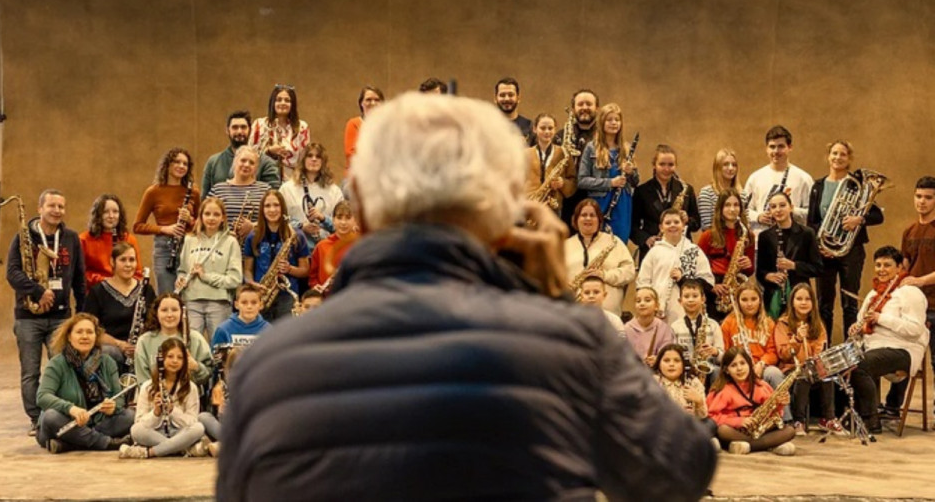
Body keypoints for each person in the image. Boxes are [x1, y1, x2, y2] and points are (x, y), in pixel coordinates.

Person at [217, 93, 715, 501]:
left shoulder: (266, 371)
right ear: (504, 210)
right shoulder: (570, 344)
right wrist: (559, 307)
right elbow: (679, 472)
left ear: (361, 205)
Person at [6, 189, 86, 436]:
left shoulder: (70, 238)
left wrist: (81, 313)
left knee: (63, 369)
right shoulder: (23, 237)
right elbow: (12, 273)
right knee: (30, 372)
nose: (57, 211)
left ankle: (60, 414)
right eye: (51, 206)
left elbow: (79, 278)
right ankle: (36, 418)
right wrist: (38, 291)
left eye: (61, 206)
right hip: (28, 317)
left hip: (61, 317)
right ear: (40, 209)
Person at [808, 140, 884, 342]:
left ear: (849, 158)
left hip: (851, 251)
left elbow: (878, 216)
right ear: (828, 156)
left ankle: (851, 348)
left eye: (843, 154)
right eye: (834, 153)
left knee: (850, 302)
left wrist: (859, 219)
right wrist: (820, 245)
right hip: (825, 252)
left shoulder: (858, 185)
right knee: (824, 304)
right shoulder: (818, 186)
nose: (838, 157)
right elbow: (811, 222)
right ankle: (824, 348)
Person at [849, 246, 929, 433]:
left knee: (861, 365)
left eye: (887, 265)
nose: (881, 269)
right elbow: (862, 322)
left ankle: (870, 420)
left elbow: (915, 329)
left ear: (899, 267)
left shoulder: (910, 293)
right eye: (878, 265)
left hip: (902, 349)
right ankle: (847, 414)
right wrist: (857, 329)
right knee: (842, 363)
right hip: (873, 347)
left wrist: (880, 318)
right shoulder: (874, 294)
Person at [35, 314, 135, 454]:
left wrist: (113, 407)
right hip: (67, 422)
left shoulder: (108, 362)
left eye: (89, 332)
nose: (85, 336)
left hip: (96, 424)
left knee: (130, 416)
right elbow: (42, 397)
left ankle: (70, 444)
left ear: (96, 337)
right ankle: (107, 443)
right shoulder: (57, 363)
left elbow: (118, 398)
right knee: (50, 416)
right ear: (69, 336)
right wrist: (71, 409)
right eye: (79, 332)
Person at [120, 338, 211, 459]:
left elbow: (192, 421)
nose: (175, 361)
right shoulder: (147, 386)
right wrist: (156, 413)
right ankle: (183, 449)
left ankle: (149, 452)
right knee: (136, 430)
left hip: (179, 433)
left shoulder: (191, 387)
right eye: (170, 356)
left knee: (198, 428)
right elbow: (139, 421)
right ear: (161, 358)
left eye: (180, 358)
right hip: (156, 433)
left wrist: (173, 411)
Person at [772, 283, 843, 435]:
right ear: (792, 302)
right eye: (799, 299)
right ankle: (799, 420)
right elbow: (784, 354)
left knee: (827, 373)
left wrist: (814, 361)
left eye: (807, 299)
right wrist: (797, 340)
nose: (803, 303)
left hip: (812, 368)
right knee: (803, 375)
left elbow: (820, 350)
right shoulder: (783, 324)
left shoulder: (818, 325)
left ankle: (828, 418)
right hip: (791, 369)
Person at [133, 147, 201, 294]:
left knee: (188, 295)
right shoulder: (153, 191)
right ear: (167, 165)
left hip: (189, 246)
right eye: (177, 162)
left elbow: (202, 225)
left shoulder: (193, 192)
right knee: (166, 294)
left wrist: (190, 220)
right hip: (164, 248)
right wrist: (165, 229)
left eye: (185, 164)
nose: (181, 166)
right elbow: (137, 226)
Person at [707, 347, 796, 456]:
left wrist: (780, 404)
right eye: (733, 365)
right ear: (726, 370)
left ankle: (748, 446)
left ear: (750, 365)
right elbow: (712, 417)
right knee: (722, 430)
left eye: (742, 363)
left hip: (759, 430)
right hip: (736, 431)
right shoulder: (723, 390)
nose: (739, 368)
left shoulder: (761, 386)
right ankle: (768, 444)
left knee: (790, 430)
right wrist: (738, 421)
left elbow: (775, 414)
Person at [82, 242, 156, 372]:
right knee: (108, 353)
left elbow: (155, 325)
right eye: (123, 260)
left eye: (132, 260)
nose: (128, 265)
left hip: (141, 348)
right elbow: (91, 330)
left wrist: (141, 344)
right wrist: (120, 344)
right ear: (112, 262)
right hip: (111, 349)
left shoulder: (146, 290)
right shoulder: (98, 291)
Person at [175, 197, 243, 339]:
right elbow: (182, 270)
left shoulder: (231, 242)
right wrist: (180, 279)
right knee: (191, 344)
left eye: (216, 214)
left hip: (219, 302)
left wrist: (206, 277)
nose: (211, 218)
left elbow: (235, 279)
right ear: (200, 216)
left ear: (223, 218)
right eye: (207, 214)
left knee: (219, 346)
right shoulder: (189, 240)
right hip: (191, 300)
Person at [718, 281, 788, 409]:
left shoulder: (769, 323)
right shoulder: (728, 323)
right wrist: (738, 367)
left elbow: (773, 352)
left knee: (774, 373)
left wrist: (762, 363)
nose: (749, 304)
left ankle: (785, 417)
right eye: (744, 300)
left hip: (761, 367)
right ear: (738, 302)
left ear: (760, 301)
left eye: (753, 299)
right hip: (737, 368)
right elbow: (725, 352)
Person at [636, 208, 713, 324]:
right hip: (659, 314)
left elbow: (708, 282)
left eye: (676, 222)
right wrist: (651, 306)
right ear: (661, 228)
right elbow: (643, 283)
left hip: (687, 313)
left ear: (683, 226)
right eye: (668, 223)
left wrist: (683, 279)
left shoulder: (694, 251)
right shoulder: (654, 252)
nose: (672, 225)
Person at [243, 190, 310, 322]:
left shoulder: (296, 235)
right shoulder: (253, 236)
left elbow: (305, 270)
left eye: (276, 205)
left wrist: (290, 269)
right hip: (261, 295)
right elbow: (247, 270)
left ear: (283, 208)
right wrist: (252, 284)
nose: (272, 210)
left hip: (288, 296)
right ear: (262, 209)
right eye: (267, 206)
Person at [577, 103, 639, 242]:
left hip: (622, 203)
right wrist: (610, 183)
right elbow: (582, 181)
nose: (614, 123)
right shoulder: (591, 148)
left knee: (619, 243)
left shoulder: (626, 148)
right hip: (600, 203)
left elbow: (635, 182)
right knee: (597, 242)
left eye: (617, 120)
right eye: (609, 119)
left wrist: (630, 172)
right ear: (602, 122)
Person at [757, 192, 822, 319]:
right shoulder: (765, 236)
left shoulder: (807, 233)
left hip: (799, 295)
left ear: (791, 207)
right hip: (774, 295)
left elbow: (818, 268)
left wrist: (794, 266)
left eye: (782, 205)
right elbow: (760, 271)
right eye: (773, 207)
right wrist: (768, 276)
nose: (778, 210)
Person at [563, 199, 634, 314]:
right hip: (573, 312)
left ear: (599, 220)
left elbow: (629, 272)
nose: (588, 218)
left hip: (608, 314)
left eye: (592, 215)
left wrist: (605, 275)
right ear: (576, 219)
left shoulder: (614, 242)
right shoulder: (564, 245)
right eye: (583, 215)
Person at [631, 144, 700, 262]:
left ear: (676, 166)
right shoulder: (641, 191)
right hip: (652, 250)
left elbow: (697, 224)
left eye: (671, 165)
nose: (667, 169)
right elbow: (633, 225)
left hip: (681, 249)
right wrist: (646, 239)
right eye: (662, 164)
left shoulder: (686, 189)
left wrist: (687, 219)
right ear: (654, 165)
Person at [744, 125, 814, 236]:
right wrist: (758, 217)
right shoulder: (755, 178)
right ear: (766, 149)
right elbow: (743, 210)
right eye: (772, 147)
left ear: (790, 147)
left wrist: (791, 210)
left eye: (781, 146)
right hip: (763, 238)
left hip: (794, 239)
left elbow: (812, 214)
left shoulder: (804, 179)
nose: (776, 151)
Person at [697, 189, 755, 321]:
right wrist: (711, 286)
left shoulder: (747, 235)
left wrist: (748, 265)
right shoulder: (708, 235)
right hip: (715, 288)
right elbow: (698, 267)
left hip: (737, 288)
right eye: (727, 205)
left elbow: (750, 271)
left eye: (736, 205)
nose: (732, 209)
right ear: (720, 209)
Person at [134, 293, 213, 388]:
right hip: (155, 394)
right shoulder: (144, 341)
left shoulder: (195, 338)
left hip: (189, 393)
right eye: (164, 310)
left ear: (182, 313)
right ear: (156, 313)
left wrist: (196, 367)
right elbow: (142, 379)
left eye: (174, 310)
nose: (169, 315)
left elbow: (209, 373)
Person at [279, 142, 345, 253]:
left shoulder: (334, 191)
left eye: (318, 157)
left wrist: (323, 219)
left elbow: (342, 225)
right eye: (310, 156)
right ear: (303, 160)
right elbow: (279, 221)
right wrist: (300, 226)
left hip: (326, 251)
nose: (314, 159)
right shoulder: (287, 189)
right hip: (295, 251)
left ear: (323, 161)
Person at [200, 110, 281, 199]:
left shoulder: (266, 163)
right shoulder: (213, 162)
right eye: (235, 127)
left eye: (243, 127)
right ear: (227, 130)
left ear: (250, 130)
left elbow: (274, 198)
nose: (239, 131)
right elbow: (205, 200)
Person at [901, 176, 935, 373]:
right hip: (913, 305)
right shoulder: (909, 231)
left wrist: (920, 281)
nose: (922, 201)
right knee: (904, 358)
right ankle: (896, 396)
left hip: (934, 304)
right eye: (918, 196)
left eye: (928, 197)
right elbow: (905, 266)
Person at [555, 89, 600, 230]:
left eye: (589, 104)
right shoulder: (560, 136)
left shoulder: (605, 137)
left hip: (597, 197)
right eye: (580, 104)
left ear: (597, 108)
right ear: (573, 108)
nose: (584, 107)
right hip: (567, 201)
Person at [80, 194, 143, 291]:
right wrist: (107, 282)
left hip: (125, 291)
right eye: (105, 212)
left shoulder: (129, 239)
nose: (111, 216)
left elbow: (138, 274)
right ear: (97, 214)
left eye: (115, 212)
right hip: (97, 291)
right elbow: (80, 274)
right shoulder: (84, 239)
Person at [209, 145, 272, 242]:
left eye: (251, 163)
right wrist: (224, 233)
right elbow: (204, 219)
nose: (246, 165)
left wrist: (254, 226)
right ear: (235, 162)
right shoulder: (217, 190)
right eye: (243, 160)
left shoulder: (265, 190)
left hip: (255, 247)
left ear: (256, 168)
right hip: (223, 246)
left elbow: (275, 219)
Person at [249, 84, 311, 179]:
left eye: (287, 100)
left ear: (293, 104)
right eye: (278, 100)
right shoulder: (259, 125)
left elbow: (304, 160)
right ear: (272, 102)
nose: (283, 103)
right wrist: (269, 151)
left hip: (292, 180)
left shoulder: (302, 127)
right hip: (264, 178)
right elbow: (250, 156)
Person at [670, 279, 724, 385]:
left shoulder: (713, 325)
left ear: (703, 299)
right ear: (680, 301)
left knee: (718, 372)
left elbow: (722, 357)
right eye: (686, 296)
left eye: (695, 296)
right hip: (684, 369)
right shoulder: (675, 326)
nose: (691, 300)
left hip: (708, 369)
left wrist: (715, 351)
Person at [525, 113, 576, 217]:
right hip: (530, 205)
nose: (547, 132)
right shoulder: (525, 154)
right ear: (535, 129)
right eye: (542, 128)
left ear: (555, 129)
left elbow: (573, 181)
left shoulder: (563, 153)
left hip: (554, 207)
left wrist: (563, 183)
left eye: (550, 128)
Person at [308, 200, 357, 291]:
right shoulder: (321, 246)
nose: (343, 222)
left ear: (355, 221)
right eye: (339, 217)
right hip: (326, 297)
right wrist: (315, 286)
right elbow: (313, 277)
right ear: (333, 220)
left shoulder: (360, 246)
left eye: (348, 218)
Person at [624, 287, 676, 366]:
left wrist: (658, 360)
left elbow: (668, 354)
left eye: (647, 300)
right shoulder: (627, 328)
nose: (642, 304)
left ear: (657, 306)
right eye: (638, 301)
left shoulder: (664, 329)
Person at [654, 344, 708, 420]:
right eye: (666, 360)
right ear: (659, 364)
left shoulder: (693, 382)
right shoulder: (652, 382)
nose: (671, 364)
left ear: (684, 364)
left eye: (677, 361)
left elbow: (703, 417)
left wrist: (699, 402)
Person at [697, 149, 744, 231]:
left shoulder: (742, 193)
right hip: (714, 237)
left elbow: (745, 222)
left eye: (734, 165)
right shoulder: (707, 193)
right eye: (726, 164)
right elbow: (707, 226)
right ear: (717, 167)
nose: (731, 168)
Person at [343, 86, 384, 172]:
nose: (373, 103)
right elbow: (352, 155)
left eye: (377, 100)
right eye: (368, 100)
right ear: (361, 103)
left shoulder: (388, 125)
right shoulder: (353, 124)